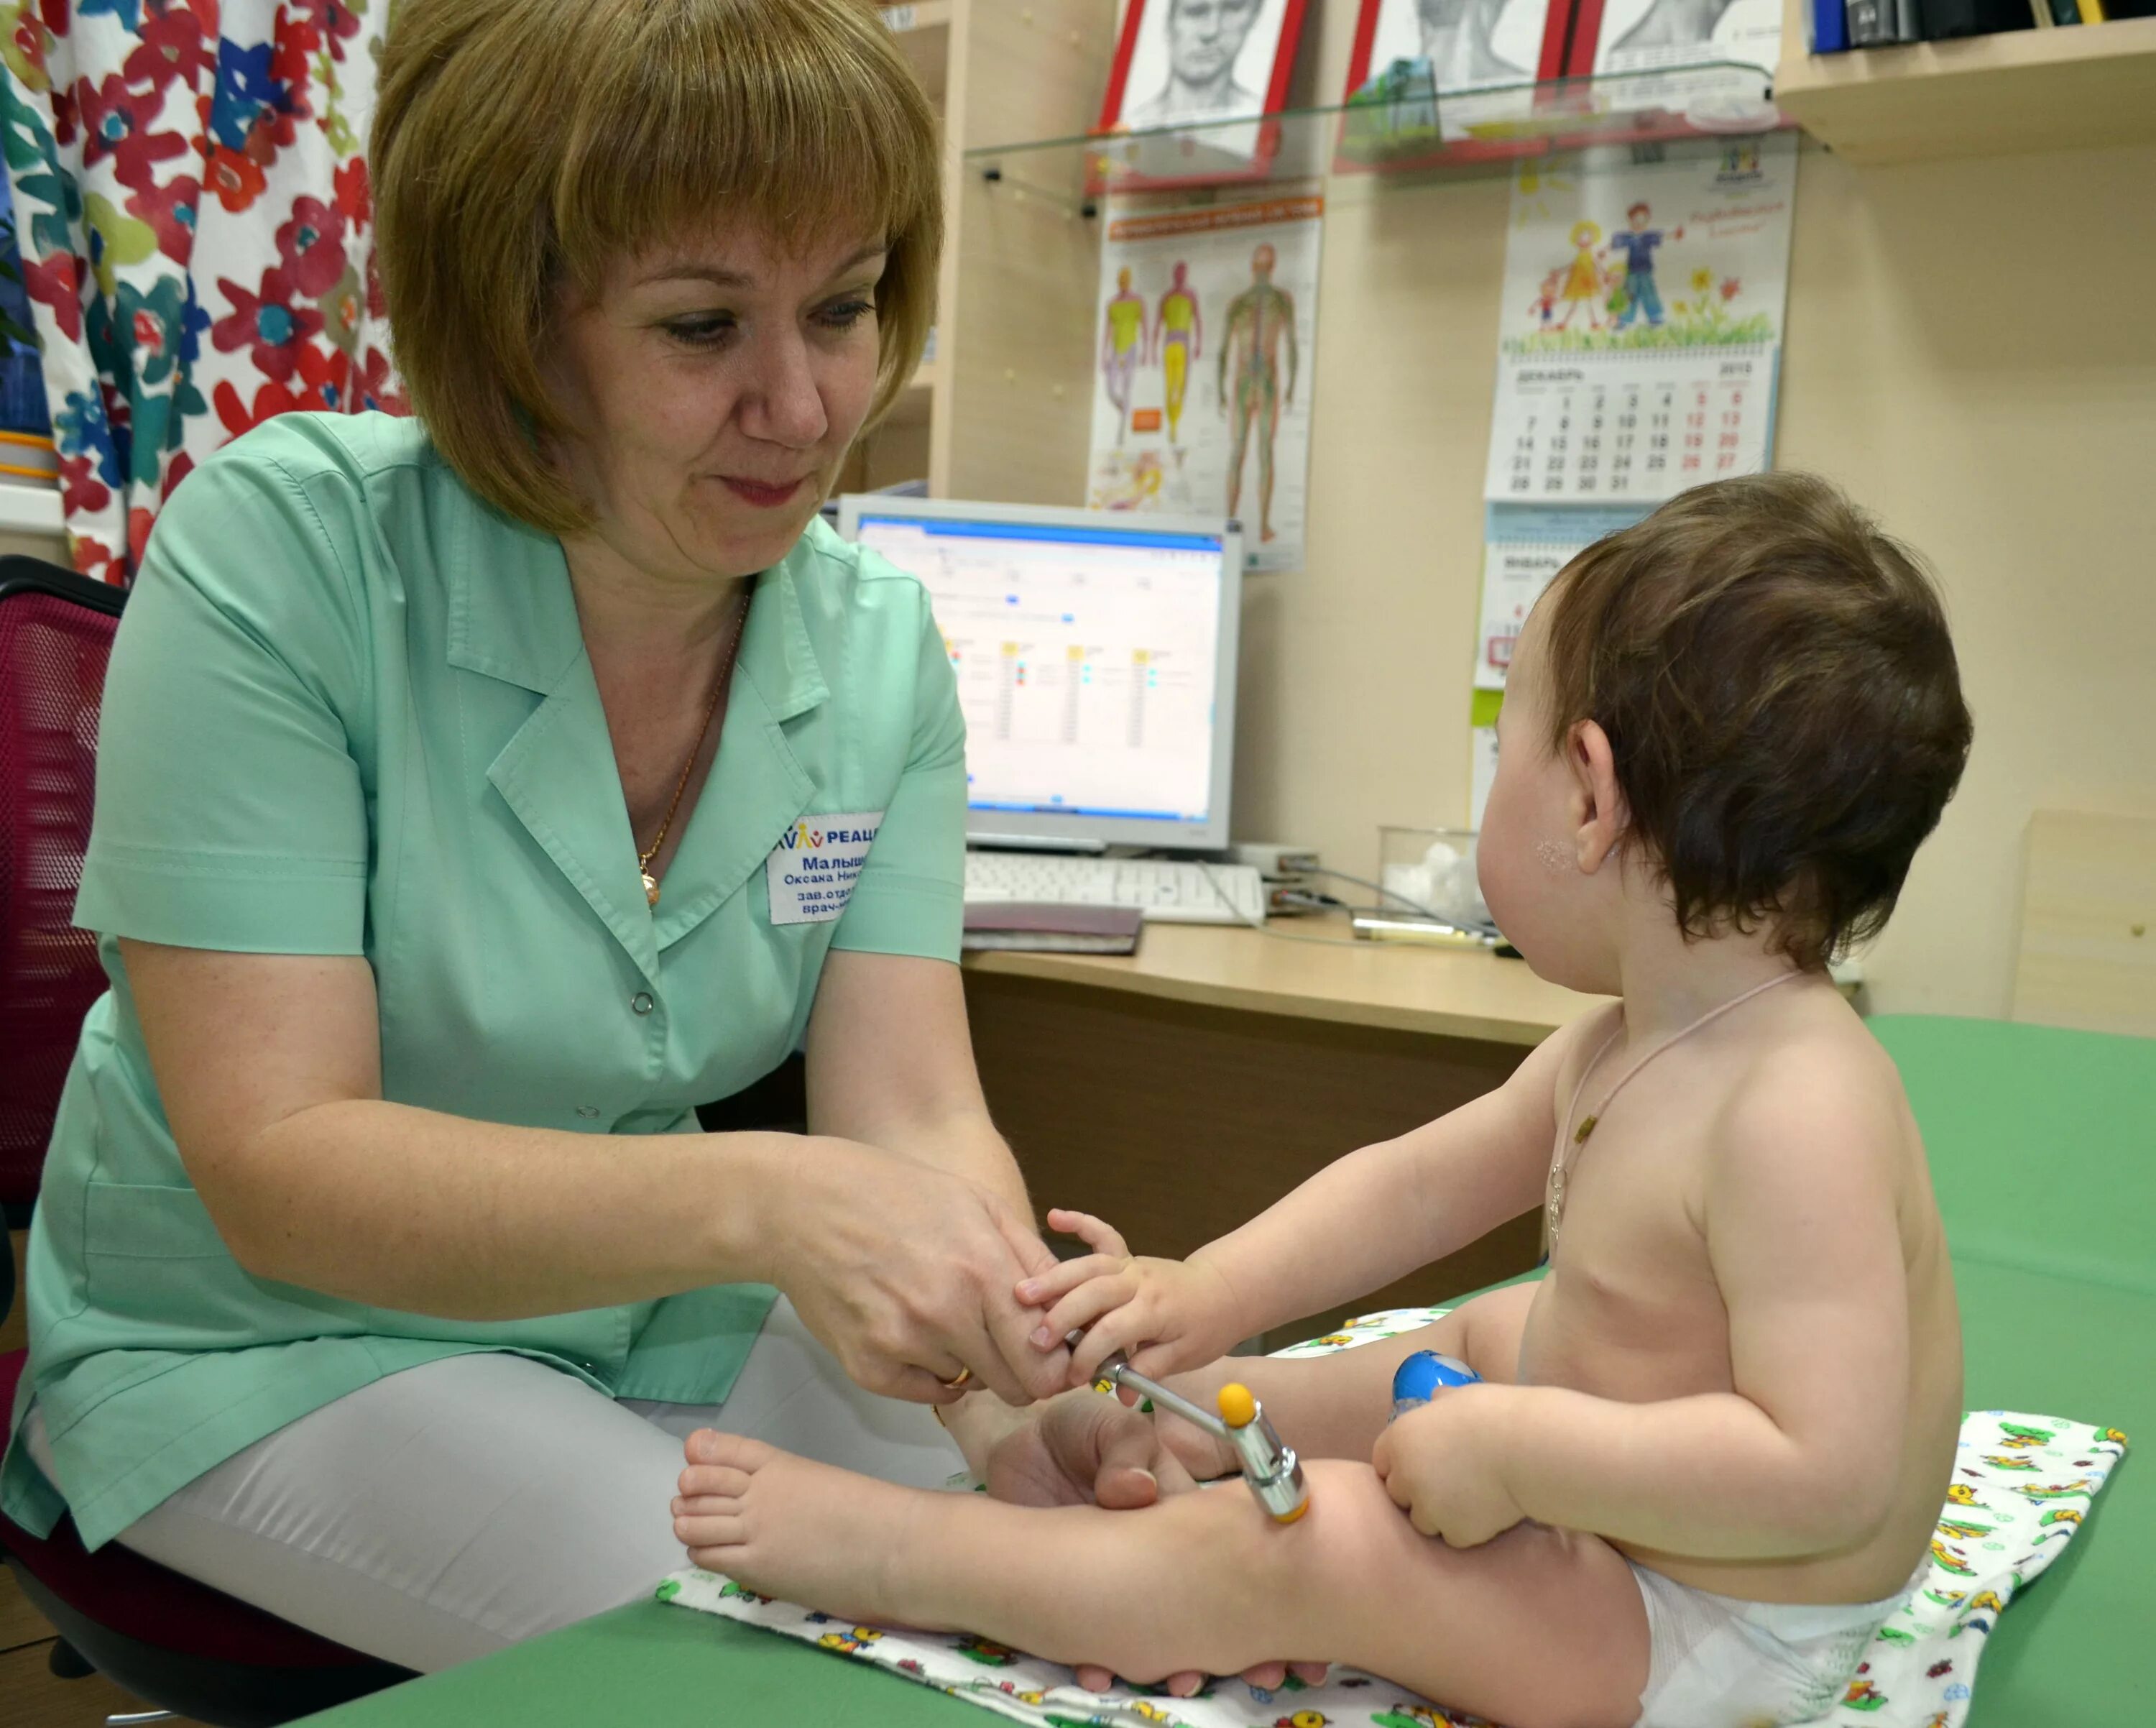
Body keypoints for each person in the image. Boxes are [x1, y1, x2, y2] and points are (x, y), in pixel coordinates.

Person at [0, 0, 1085, 1675]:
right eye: (701, 327)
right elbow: (283, 1171)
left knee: (1078, 1571)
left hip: (645, 1314)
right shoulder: (284, 560)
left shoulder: (875, 649)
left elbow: (919, 1112)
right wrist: (772, 1201)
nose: (801, 406)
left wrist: (1009, 1390)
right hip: (256, 1341)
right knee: (812, 1675)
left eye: (845, 307)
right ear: (521, 327)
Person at [674, 473, 1977, 1728]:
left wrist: (1526, 1455)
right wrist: (1213, 1294)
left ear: (1587, 792)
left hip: (1703, 1628)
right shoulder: (1631, 1042)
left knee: (1316, 1540)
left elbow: (1827, 1470)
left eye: (1503, 742)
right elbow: (1415, 1182)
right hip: (1632, 1513)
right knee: (1484, 1335)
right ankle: (1160, 1429)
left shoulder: (1797, 1108)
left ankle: (907, 1550)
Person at [1220, 242, 1296, 544]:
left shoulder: (1249, 302)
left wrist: (1290, 386)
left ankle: (1259, 524)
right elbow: (1225, 350)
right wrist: (1291, 386)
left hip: (1258, 381)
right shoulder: (1252, 302)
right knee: (1247, 451)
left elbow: (1290, 344)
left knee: (1256, 450)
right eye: (1264, 266)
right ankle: (1243, 523)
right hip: (1256, 381)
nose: (1264, 272)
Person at [1123, 0, 1269, 129]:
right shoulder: (1131, 125)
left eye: (1232, 8)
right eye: (1195, 11)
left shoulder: (1260, 115)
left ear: (1254, 15)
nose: (1211, 31)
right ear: (1168, 21)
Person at [1608, 201, 1684, 330]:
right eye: (1637, 219)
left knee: (1649, 293)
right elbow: (1613, 244)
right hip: (1632, 271)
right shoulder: (1628, 237)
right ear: (1631, 219)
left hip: (1646, 270)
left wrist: (1675, 234)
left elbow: (1663, 236)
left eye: (1644, 219)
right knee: (1629, 294)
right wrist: (1603, 251)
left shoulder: (1649, 236)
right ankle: (1625, 319)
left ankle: (1655, 317)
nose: (1640, 222)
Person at [1151, 262, 1202, 446]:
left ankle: (1175, 422)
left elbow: (1197, 320)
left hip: (1184, 344)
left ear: (1186, 275)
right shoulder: (1166, 297)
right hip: (1170, 343)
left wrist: (1198, 345)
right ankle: (1172, 425)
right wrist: (1153, 351)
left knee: (1181, 385)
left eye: (1183, 273)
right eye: (1177, 273)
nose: (1180, 276)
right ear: (1174, 275)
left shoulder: (1191, 296)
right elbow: (1157, 324)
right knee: (1170, 385)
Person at [1102, 267, 1147, 445]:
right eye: (1121, 281)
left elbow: (1143, 326)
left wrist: (1146, 351)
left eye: (1125, 281)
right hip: (1116, 350)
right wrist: (1103, 354)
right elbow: (1108, 330)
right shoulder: (1112, 304)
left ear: (1129, 281)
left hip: (1131, 350)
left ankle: (1122, 432)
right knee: (1111, 389)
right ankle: (1122, 407)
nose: (1123, 284)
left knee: (1127, 388)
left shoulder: (1137, 302)